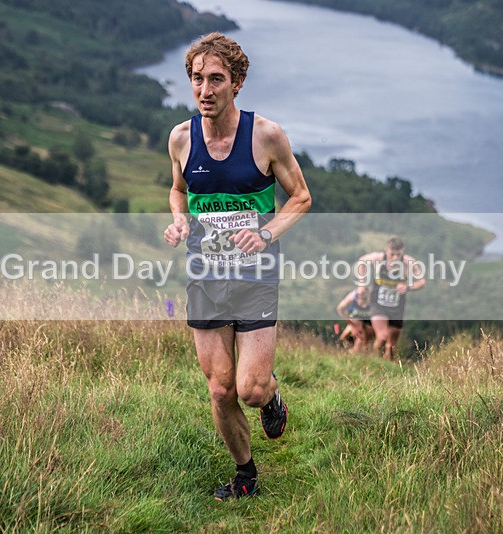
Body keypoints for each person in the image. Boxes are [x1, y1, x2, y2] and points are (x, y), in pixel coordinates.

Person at [163, 32, 311, 501]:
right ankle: (245, 474)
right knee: (220, 390)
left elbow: (301, 197)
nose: (204, 90)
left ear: (238, 82)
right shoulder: (182, 138)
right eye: (196, 79)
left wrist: (265, 234)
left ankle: (271, 397)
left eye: (215, 79)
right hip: (205, 276)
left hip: (255, 276)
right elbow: (178, 190)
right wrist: (179, 221)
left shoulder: (266, 135)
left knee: (248, 388)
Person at [355, 236, 424, 361]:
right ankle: (372, 362)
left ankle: (386, 370)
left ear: (403, 251)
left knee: (391, 346)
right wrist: (362, 284)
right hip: (378, 305)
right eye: (392, 254)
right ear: (387, 250)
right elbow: (361, 262)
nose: (395, 258)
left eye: (398, 254)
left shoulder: (409, 263)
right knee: (382, 337)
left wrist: (408, 287)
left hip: (397, 308)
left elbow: (422, 282)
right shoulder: (378, 258)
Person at [335, 288, 374, 353]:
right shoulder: (353, 296)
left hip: (367, 326)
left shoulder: (373, 299)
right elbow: (339, 309)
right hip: (355, 324)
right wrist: (351, 324)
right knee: (343, 338)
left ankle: (356, 351)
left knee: (360, 341)